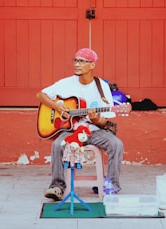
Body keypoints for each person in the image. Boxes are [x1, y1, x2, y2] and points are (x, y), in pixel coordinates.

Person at [36, 48, 124, 201]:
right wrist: (57, 107)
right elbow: (40, 95)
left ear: (92, 65)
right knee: (57, 145)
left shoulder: (101, 87)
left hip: (94, 131)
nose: (77, 64)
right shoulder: (65, 83)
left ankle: (111, 185)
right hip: (70, 131)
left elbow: (105, 119)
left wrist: (96, 119)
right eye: (75, 60)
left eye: (82, 61)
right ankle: (57, 186)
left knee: (116, 144)